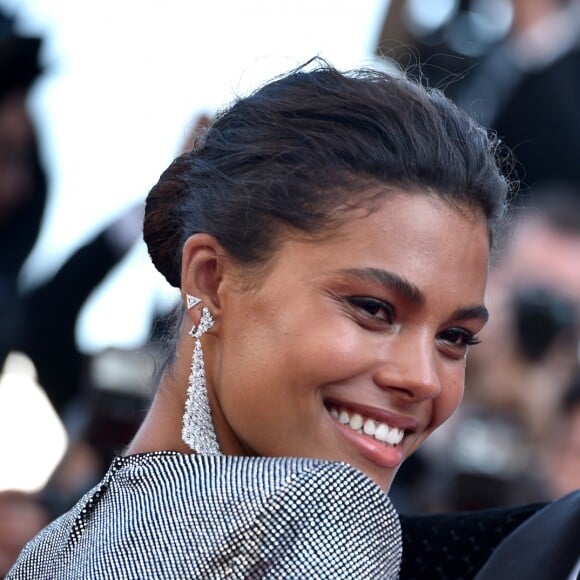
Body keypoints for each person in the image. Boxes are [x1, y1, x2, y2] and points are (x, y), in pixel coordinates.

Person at [7, 58, 510, 578]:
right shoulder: (321, 518)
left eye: (454, 338)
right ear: (209, 279)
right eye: (373, 310)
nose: (423, 380)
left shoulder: (51, 550)